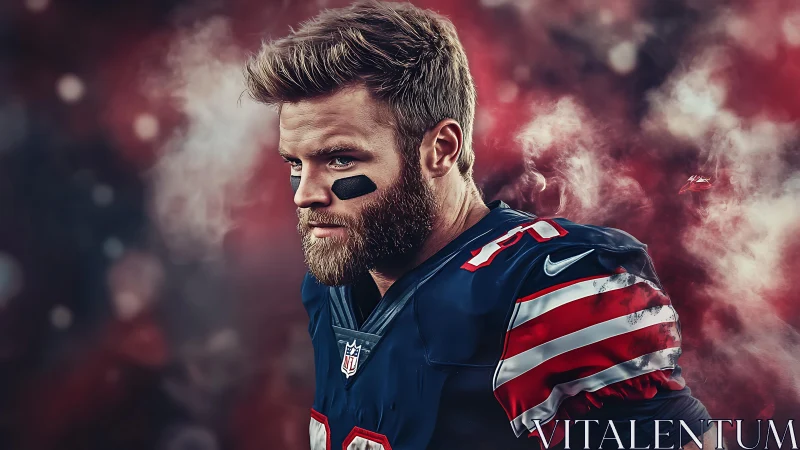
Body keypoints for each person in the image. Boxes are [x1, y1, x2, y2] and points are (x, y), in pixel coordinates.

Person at [243, 1, 715, 448]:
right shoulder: (341, 277)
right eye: (295, 163)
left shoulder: (547, 285)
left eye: (340, 160)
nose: (306, 193)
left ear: (441, 149)